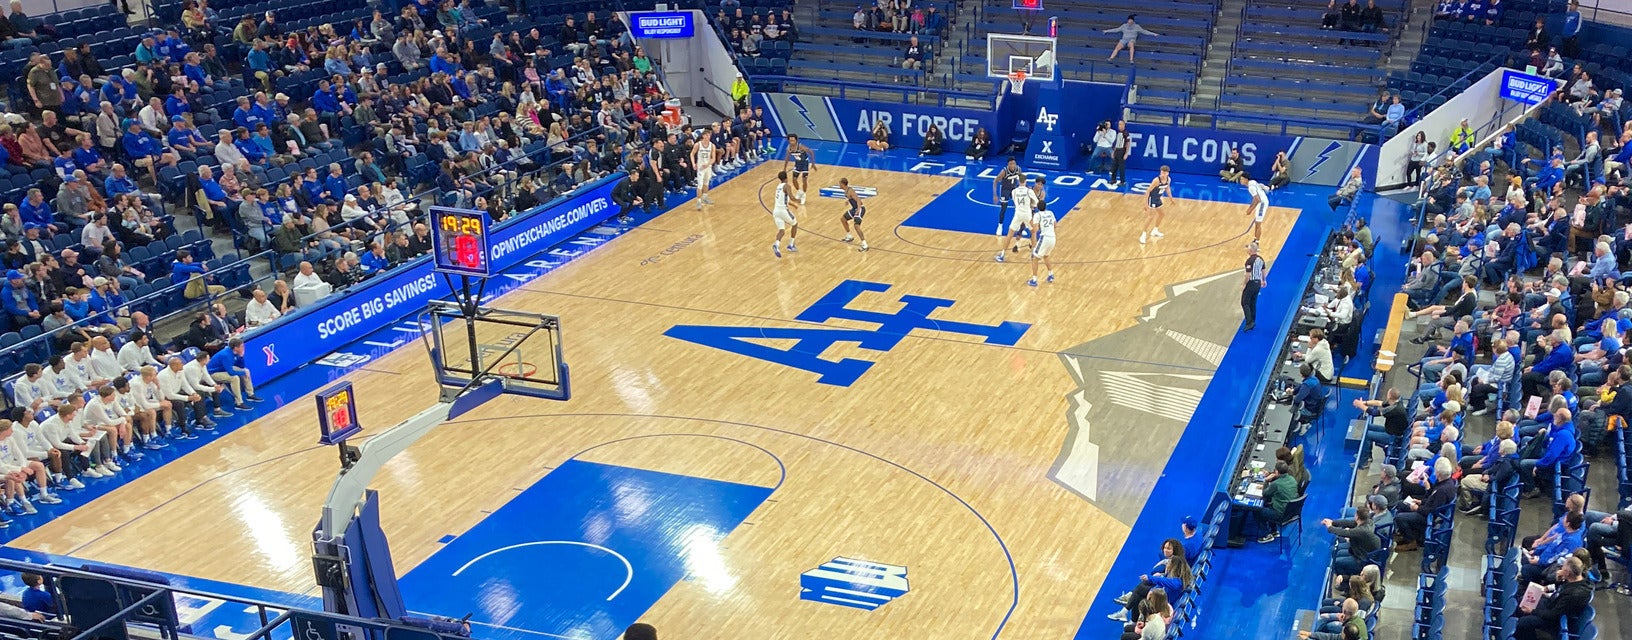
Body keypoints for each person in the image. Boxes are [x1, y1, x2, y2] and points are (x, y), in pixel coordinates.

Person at [1513, 557, 1590, 640]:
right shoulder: (1573, 578)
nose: (1561, 568)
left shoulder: (1574, 594)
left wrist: (1532, 611)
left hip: (1555, 618)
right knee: (1522, 601)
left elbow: (1553, 615)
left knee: (1523, 622)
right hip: (1552, 603)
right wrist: (1558, 581)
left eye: (1563, 567)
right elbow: (1559, 591)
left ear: (1567, 573)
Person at [1392, 458, 1456, 551]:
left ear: (1438, 473)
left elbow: (1433, 510)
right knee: (1401, 504)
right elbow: (1432, 498)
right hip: (1426, 508)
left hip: (1429, 516)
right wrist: (1421, 502)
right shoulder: (1445, 482)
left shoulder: (1443, 490)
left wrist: (1417, 508)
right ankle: (1406, 533)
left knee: (1399, 517)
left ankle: (1411, 542)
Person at [1252, 461, 1300, 543]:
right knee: (1269, 503)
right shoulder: (1292, 479)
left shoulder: (1276, 484)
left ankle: (1266, 534)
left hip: (1280, 513)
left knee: (1256, 510)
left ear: (1277, 472)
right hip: (1291, 511)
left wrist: (1266, 481)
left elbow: (1265, 494)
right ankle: (1274, 531)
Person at [996, 174, 1038, 262]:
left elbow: (1015, 201)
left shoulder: (1014, 191)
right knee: (1033, 232)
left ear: (1019, 181)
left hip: (1018, 214)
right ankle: (1034, 253)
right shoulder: (1029, 191)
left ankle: (1002, 255)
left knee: (1009, 234)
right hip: (1027, 214)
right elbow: (1036, 202)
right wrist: (1032, 205)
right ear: (1025, 181)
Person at [1029, 178, 1057, 287]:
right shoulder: (1050, 212)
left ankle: (1034, 280)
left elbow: (1035, 230)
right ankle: (1051, 274)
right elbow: (1056, 225)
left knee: (1034, 258)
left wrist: (1035, 240)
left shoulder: (1037, 215)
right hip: (1053, 238)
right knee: (1046, 256)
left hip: (1045, 238)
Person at [769, 171, 801, 258]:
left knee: (782, 231)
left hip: (776, 211)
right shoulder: (787, 186)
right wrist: (797, 200)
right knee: (795, 224)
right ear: (786, 178)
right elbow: (791, 197)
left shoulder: (778, 187)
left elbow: (783, 199)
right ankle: (791, 245)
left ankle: (776, 245)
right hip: (783, 210)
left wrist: (793, 205)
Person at [992, 157, 1025, 237]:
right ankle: (1000, 226)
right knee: (1003, 208)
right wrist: (995, 195)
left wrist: (1024, 189)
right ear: (1008, 164)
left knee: (1019, 207)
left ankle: (1018, 227)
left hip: (1014, 189)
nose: (1013, 165)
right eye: (1011, 164)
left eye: (1014, 163)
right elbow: (995, 181)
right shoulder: (1004, 171)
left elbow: (1021, 180)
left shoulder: (1019, 169)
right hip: (1005, 190)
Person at [1140, 165, 1171, 244]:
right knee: (1150, 217)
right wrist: (1145, 204)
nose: (1162, 174)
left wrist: (1171, 198)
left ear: (1167, 173)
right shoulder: (1156, 180)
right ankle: (1143, 235)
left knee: (1162, 214)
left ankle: (1155, 230)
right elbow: (1148, 191)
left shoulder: (1168, 179)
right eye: (1161, 172)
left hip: (1158, 199)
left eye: (1164, 173)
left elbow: (1167, 188)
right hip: (1152, 199)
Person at [838, 177, 869, 252]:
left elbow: (858, 200)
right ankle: (849, 236)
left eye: (840, 184)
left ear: (843, 184)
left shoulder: (850, 191)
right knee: (843, 219)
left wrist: (858, 210)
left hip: (860, 208)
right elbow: (852, 198)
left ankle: (865, 244)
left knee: (856, 226)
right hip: (854, 209)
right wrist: (848, 201)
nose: (839, 185)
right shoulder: (846, 191)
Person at [782, 134, 813, 204]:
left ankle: (804, 194)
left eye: (793, 140)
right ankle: (799, 191)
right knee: (794, 179)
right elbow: (787, 158)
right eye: (790, 140)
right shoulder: (789, 148)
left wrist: (813, 163)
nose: (792, 142)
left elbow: (810, 152)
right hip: (798, 164)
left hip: (805, 163)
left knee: (804, 180)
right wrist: (784, 168)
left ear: (796, 140)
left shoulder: (800, 146)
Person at [1242, 241, 1265, 331]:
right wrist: (1263, 280)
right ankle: (1253, 319)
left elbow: (1248, 274)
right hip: (1258, 283)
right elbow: (1263, 271)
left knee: (1244, 302)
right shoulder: (1261, 259)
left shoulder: (1250, 261)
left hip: (1251, 283)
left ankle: (1249, 322)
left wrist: (1244, 284)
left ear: (1251, 250)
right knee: (1253, 302)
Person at [692, 132, 717, 210]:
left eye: (709, 135)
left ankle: (705, 197)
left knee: (706, 183)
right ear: (703, 136)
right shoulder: (698, 145)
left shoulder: (712, 145)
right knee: (700, 184)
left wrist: (708, 164)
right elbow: (692, 154)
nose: (708, 136)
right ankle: (698, 202)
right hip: (700, 167)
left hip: (708, 167)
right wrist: (693, 163)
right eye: (706, 135)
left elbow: (713, 158)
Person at [1241, 174, 1269, 242]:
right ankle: (1255, 241)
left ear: (1246, 179)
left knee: (1258, 224)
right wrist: (1250, 207)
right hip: (1261, 202)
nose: (1240, 181)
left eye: (1242, 179)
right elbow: (1255, 198)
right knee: (1257, 223)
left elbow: (1258, 199)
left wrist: (1250, 210)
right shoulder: (1252, 182)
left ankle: (1257, 244)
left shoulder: (1251, 188)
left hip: (1262, 203)